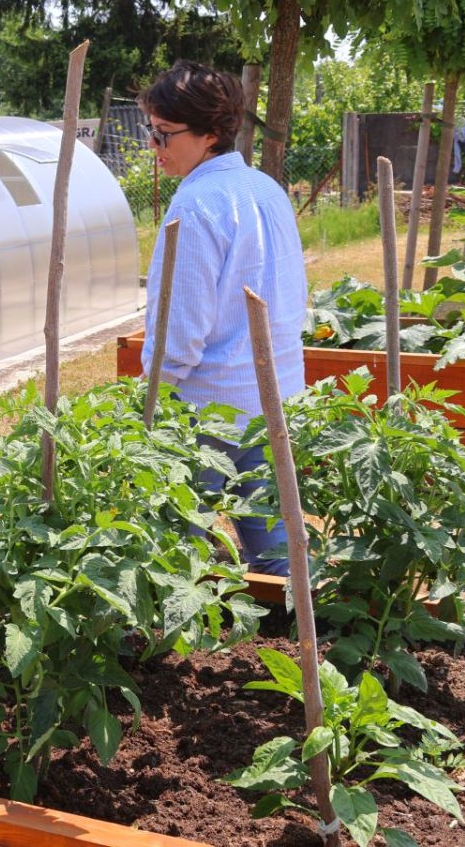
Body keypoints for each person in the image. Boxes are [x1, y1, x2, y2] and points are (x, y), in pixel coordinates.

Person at [138, 60, 308, 577]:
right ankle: (307, 650)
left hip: (206, 414)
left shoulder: (195, 207)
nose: (154, 146)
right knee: (281, 562)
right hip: (272, 402)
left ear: (211, 134)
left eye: (165, 134)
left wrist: (147, 404)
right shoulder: (266, 190)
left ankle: (167, 652)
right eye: (153, 131)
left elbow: (177, 337)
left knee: (172, 562)